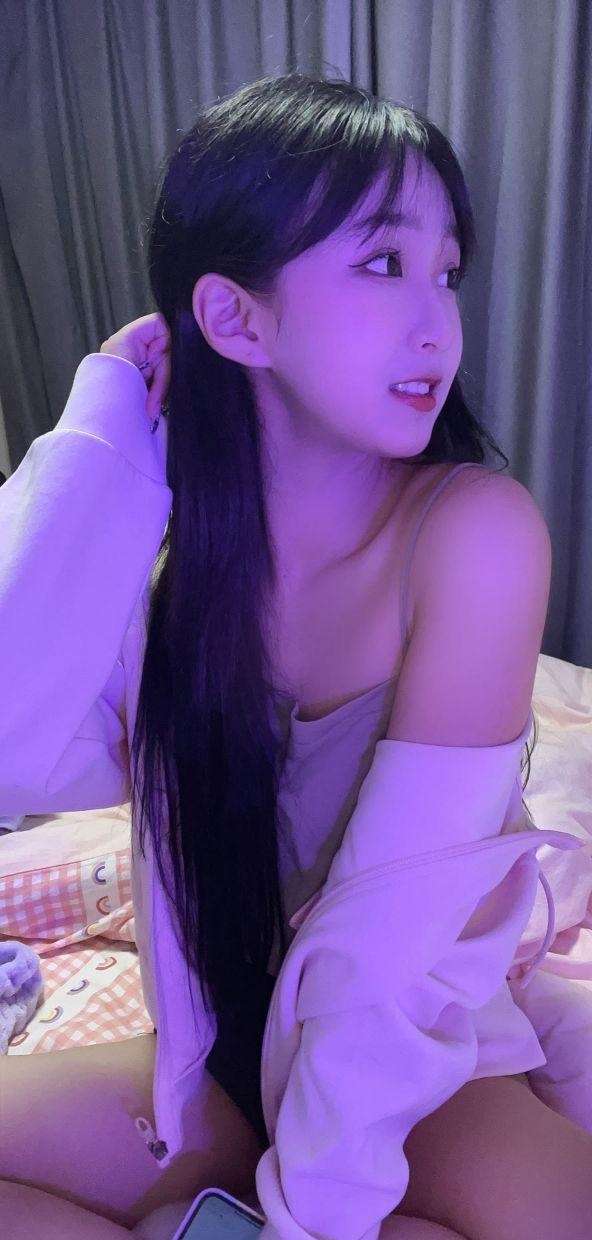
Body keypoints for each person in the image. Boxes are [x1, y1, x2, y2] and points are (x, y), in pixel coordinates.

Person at [2, 70, 592, 1240]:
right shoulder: (167, 563)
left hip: (422, 1081)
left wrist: (301, 1223)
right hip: (212, 1065)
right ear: (236, 319)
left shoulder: (472, 534)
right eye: (382, 263)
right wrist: (99, 440)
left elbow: (387, 965)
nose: (436, 323)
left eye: (446, 271)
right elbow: (12, 745)